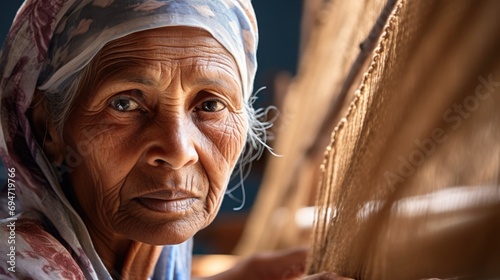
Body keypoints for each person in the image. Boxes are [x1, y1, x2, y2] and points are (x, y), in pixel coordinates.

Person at [0, 1, 350, 279]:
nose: (178, 150)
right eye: (124, 104)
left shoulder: (145, 245)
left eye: (211, 105)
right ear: (49, 130)